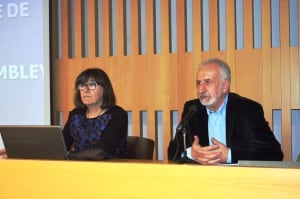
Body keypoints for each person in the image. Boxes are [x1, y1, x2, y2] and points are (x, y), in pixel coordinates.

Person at [168, 58, 284, 164]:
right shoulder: (192, 109)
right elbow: (172, 152)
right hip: (202, 181)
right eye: (198, 83)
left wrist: (229, 155)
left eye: (207, 82)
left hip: (239, 182)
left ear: (224, 86)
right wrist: (190, 153)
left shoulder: (247, 109)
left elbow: (273, 153)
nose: (201, 89)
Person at [63, 68, 128, 160]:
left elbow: (101, 153)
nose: (86, 90)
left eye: (92, 85)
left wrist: (69, 156)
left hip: (110, 170)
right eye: (82, 85)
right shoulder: (76, 114)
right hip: (78, 169)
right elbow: (62, 146)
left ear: (104, 89)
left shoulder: (117, 115)